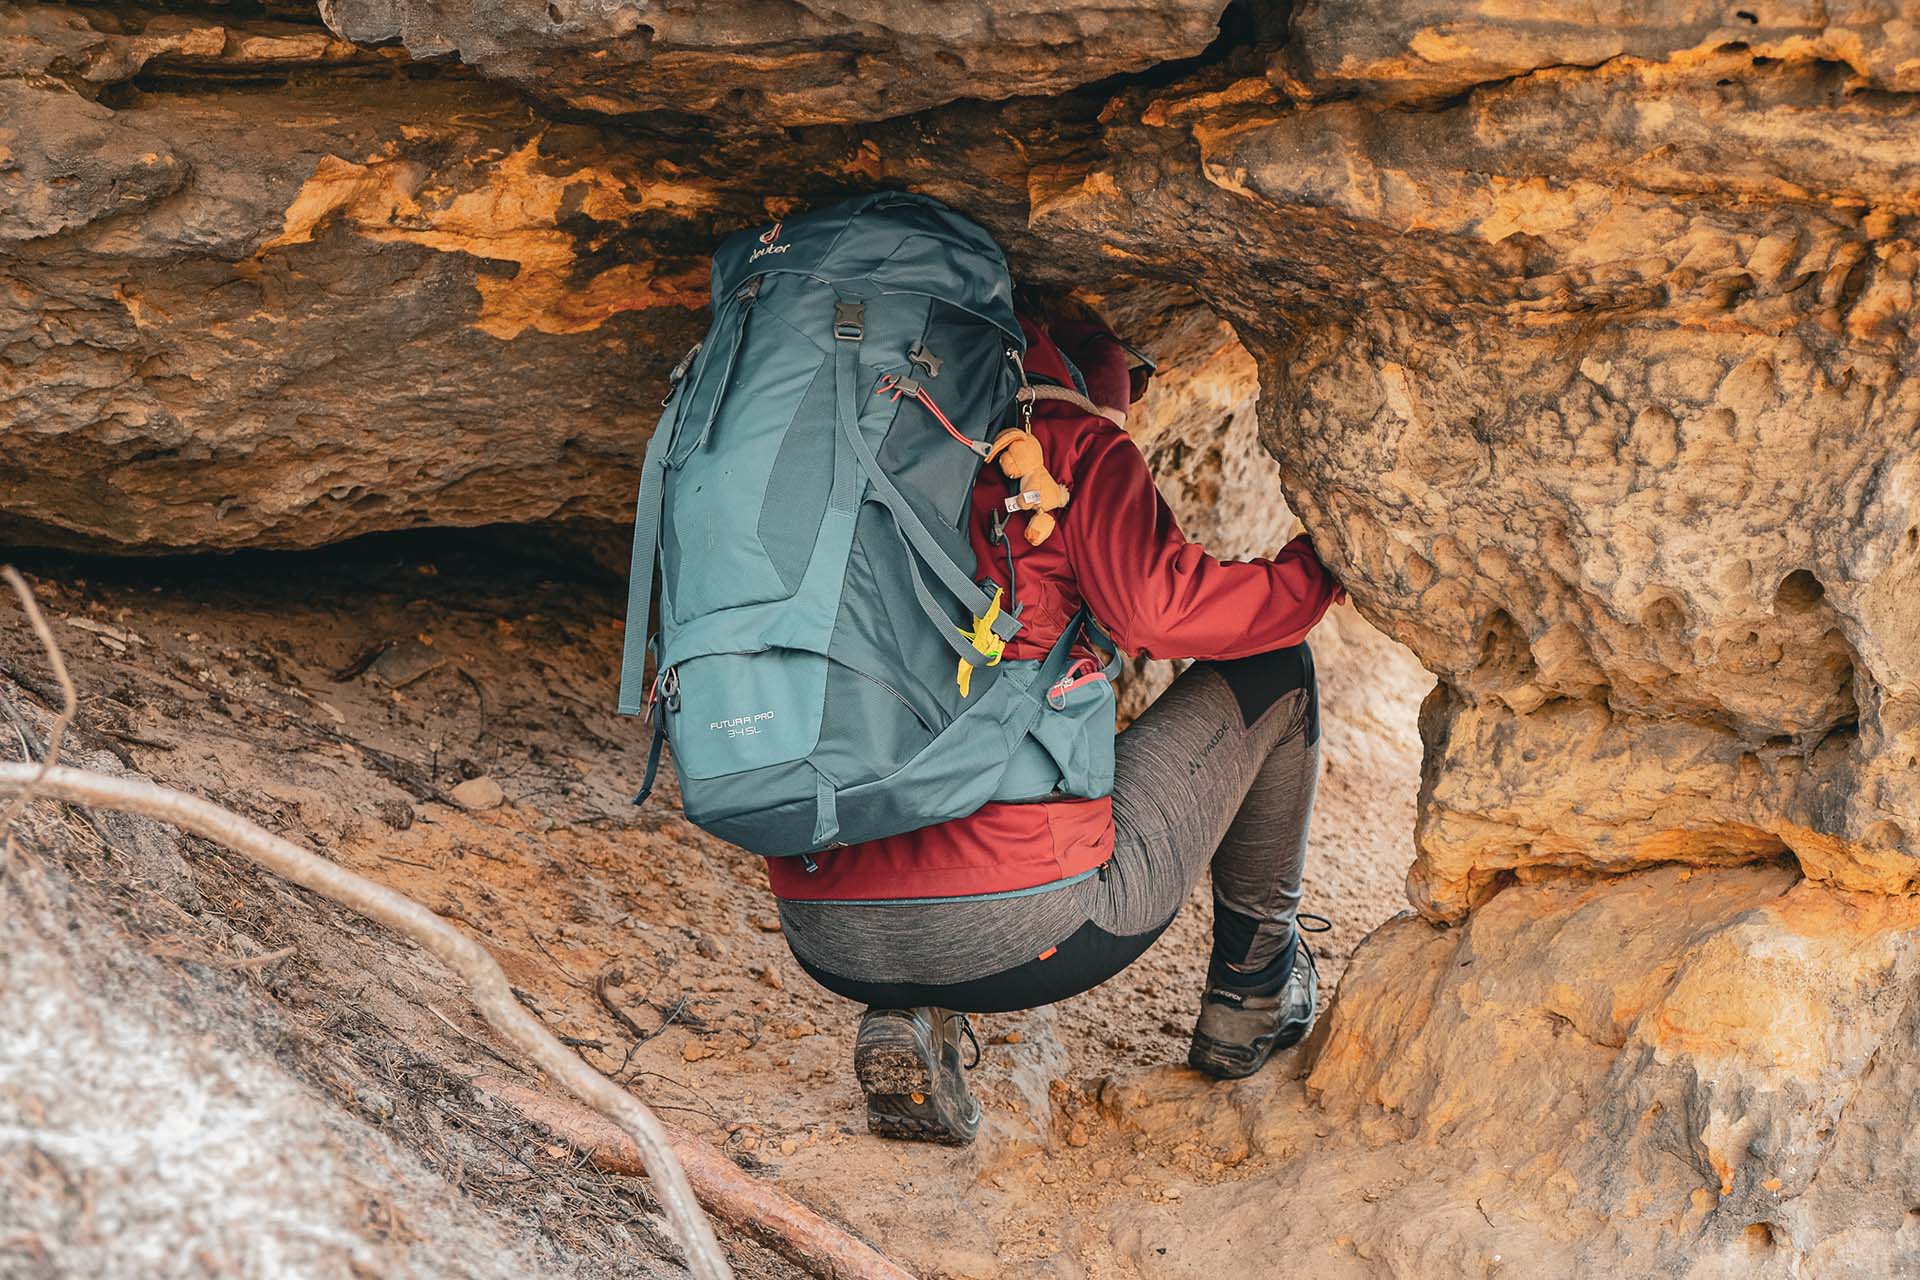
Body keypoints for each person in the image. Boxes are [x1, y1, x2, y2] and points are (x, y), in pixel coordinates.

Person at [765, 291, 1345, 1145]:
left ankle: (910, 1012)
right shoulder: (1064, 440)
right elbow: (1160, 613)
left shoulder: (844, 444)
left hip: (822, 927)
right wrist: (1319, 569)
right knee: (1274, 665)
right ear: (1096, 378)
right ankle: (1254, 992)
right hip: (1025, 931)